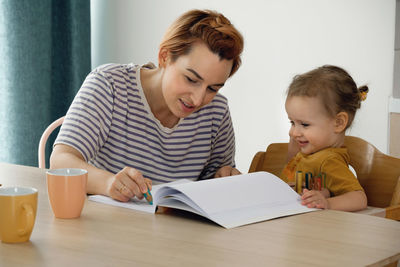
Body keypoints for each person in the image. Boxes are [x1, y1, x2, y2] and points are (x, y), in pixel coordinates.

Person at [50, 9, 244, 202]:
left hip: (176, 231)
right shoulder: (109, 84)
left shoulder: (216, 112)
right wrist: (109, 183)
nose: (198, 99)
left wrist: (224, 177)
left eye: (213, 88)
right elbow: (60, 161)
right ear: (164, 57)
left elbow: (213, 185)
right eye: (191, 79)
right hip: (104, 226)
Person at [280, 65, 368, 211]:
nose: (293, 132)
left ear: (338, 123)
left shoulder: (329, 161)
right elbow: (289, 168)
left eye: (305, 124)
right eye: (292, 122)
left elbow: (359, 199)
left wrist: (328, 204)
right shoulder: (307, 154)